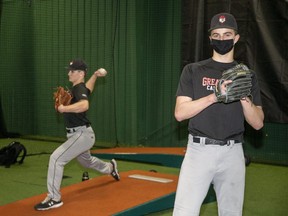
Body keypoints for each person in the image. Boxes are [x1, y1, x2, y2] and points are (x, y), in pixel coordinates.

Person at [173, 13, 264, 216]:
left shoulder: (247, 75)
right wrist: (215, 96)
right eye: (217, 34)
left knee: (232, 213)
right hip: (199, 151)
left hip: (233, 153)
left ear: (236, 38)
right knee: (183, 213)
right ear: (210, 38)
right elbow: (180, 113)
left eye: (227, 34)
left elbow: (258, 123)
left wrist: (242, 96)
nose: (222, 39)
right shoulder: (193, 70)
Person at [34, 59, 120, 211]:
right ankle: (110, 168)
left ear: (80, 73)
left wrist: (63, 109)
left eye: (72, 71)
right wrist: (94, 76)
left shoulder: (77, 89)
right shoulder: (80, 88)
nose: (69, 73)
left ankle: (54, 198)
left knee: (56, 159)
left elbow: (84, 105)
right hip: (80, 135)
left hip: (81, 135)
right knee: (87, 162)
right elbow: (88, 89)